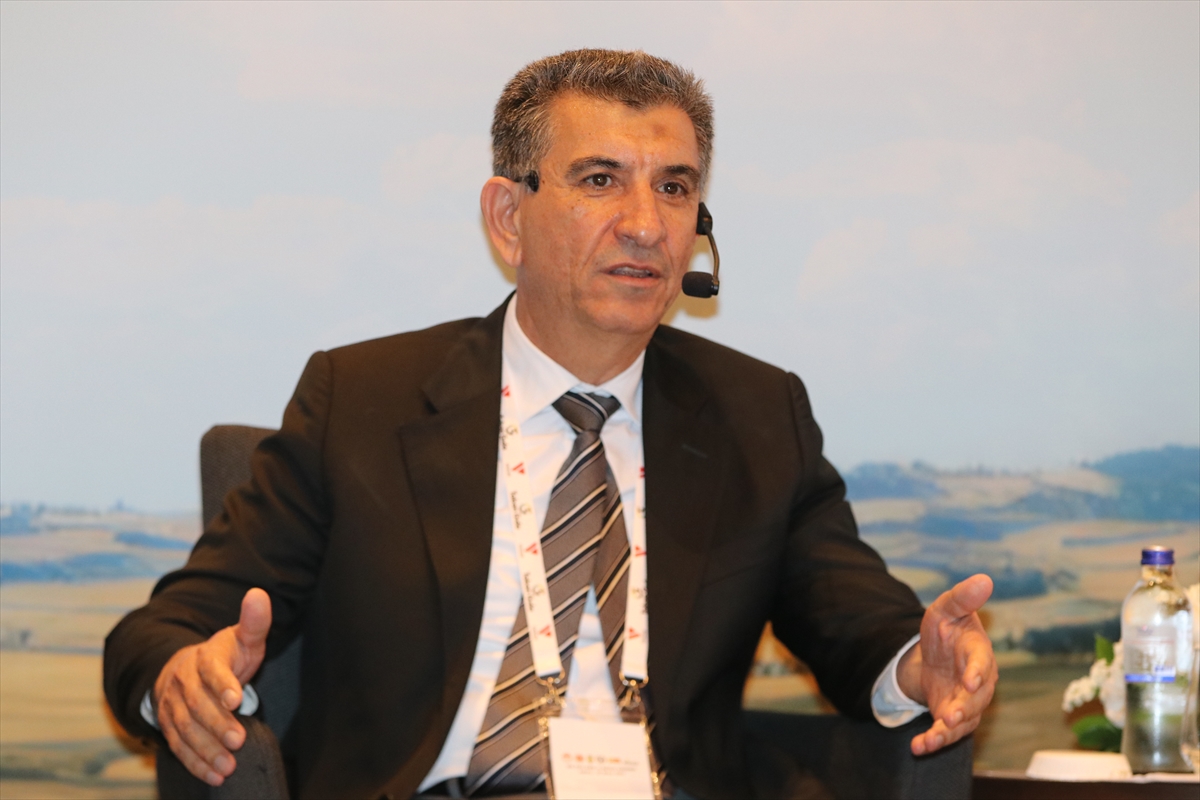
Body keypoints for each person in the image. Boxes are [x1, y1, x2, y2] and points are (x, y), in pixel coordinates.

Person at [104, 49, 997, 799]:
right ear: (508, 218)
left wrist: (919, 665)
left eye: (675, 187)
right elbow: (164, 630)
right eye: (601, 180)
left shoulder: (757, 416)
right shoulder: (363, 404)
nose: (645, 226)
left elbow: (856, 623)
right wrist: (179, 675)